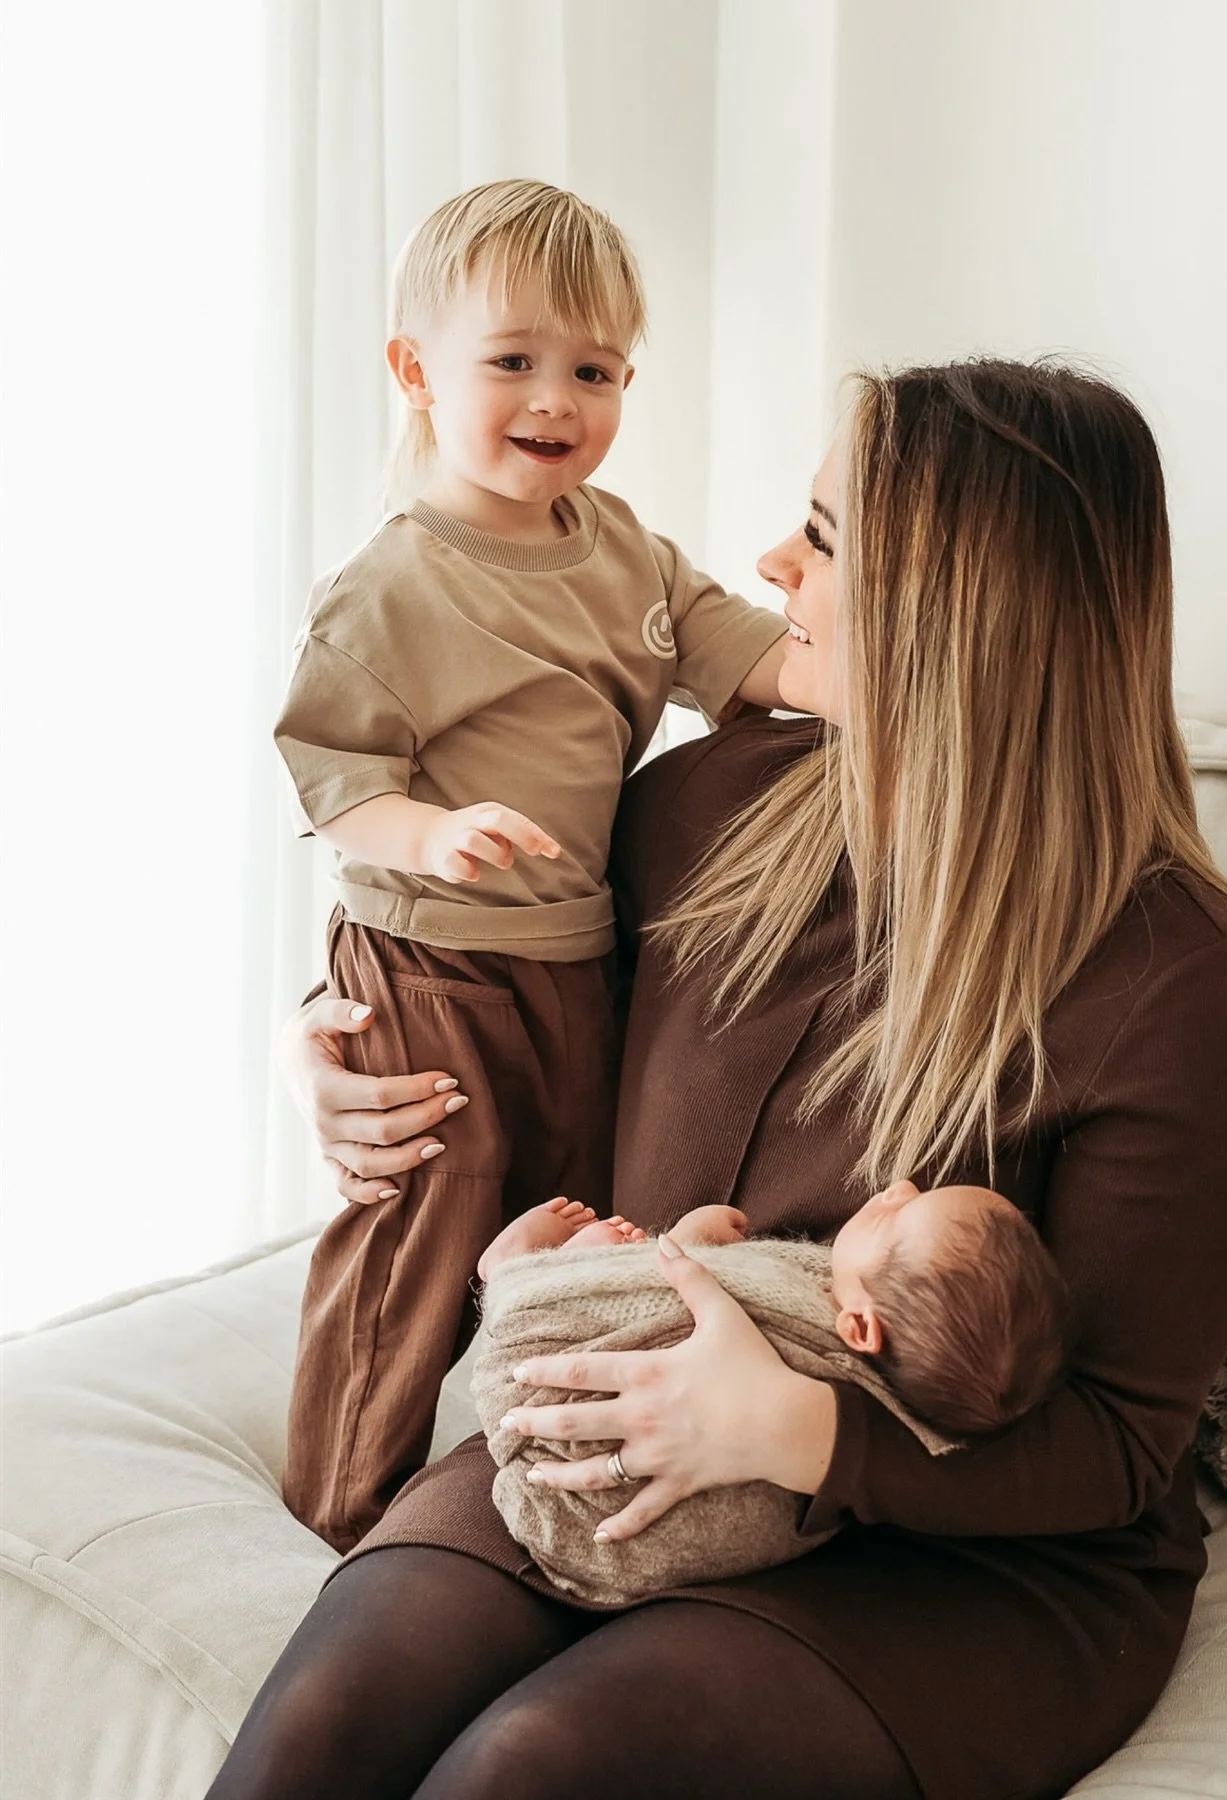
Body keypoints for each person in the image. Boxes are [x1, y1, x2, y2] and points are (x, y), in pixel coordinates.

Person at [209, 358, 1227, 1800]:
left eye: (827, 536)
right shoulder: (703, 806)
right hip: (619, 1427)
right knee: (324, 1730)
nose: (774, 562)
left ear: (956, 604)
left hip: (961, 1553)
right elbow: (480, 976)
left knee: (531, 1768)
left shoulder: (1177, 983)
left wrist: (793, 1428)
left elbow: (1115, 1447)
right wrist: (322, 1052)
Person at [273, 179, 787, 1552]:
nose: (556, 400)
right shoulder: (394, 584)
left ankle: (521, 1470)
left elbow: (751, 658)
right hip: (425, 953)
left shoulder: (625, 553)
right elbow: (336, 782)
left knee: (566, 1207)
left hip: (572, 958)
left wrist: (882, 669)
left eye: (595, 371)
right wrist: (431, 835)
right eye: (513, 362)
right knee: (430, 1211)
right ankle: (344, 1503)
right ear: (416, 372)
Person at [466, 1185, 1071, 1603]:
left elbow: (704, 1292)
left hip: (558, 1424)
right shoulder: (911, 1404)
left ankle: (516, 1272)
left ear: (860, 1328)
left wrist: (690, 1239)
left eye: (895, 1216)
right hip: (622, 1540)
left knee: (619, 1269)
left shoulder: (816, 1345)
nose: (899, 1188)